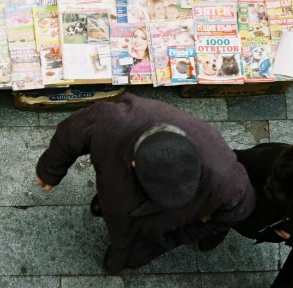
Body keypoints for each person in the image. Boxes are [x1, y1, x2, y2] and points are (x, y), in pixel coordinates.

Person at [36, 93, 256, 275]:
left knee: (137, 254)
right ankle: (105, 209)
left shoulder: (228, 183)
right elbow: (71, 133)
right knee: (113, 201)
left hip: (160, 231)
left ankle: (125, 260)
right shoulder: (112, 120)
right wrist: (50, 171)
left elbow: (237, 213)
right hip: (117, 189)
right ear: (134, 163)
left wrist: (179, 236)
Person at [200, 143, 293, 287]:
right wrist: (212, 208)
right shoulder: (270, 160)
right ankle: (221, 227)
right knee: (227, 214)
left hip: (266, 227)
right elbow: (229, 164)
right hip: (243, 204)